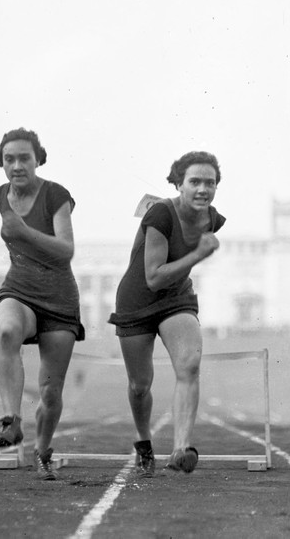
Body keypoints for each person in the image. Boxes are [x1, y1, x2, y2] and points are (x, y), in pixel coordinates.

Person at [109, 151, 225, 477]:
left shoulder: (212, 219)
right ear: (179, 183)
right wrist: (200, 255)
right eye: (195, 182)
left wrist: (195, 257)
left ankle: (181, 448)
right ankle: (144, 441)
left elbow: (172, 276)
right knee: (139, 385)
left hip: (176, 297)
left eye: (210, 182)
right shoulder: (160, 214)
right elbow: (153, 276)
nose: (203, 189)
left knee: (189, 363)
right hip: (137, 299)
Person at [0, 127, 85, 481]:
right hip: (19, 287)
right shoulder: (0, 196)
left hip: (58, 296)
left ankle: (43, 450)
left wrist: (23, 230)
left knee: (50, 390)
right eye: (9, 159)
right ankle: (11, 420)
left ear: (37, 159)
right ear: (1, 162)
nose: (17, 165)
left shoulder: (55, 194)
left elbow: (66, 250)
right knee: (7, 332)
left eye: (24, 158)